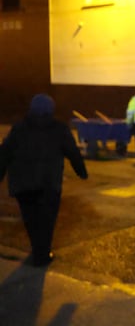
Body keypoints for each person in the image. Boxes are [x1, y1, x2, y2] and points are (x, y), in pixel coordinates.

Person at [0, 94, 88, 266]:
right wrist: (81, 171)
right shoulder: (59, 129)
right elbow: (72, 152)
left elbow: (4, 153)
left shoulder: (19, 128)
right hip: (49, 183)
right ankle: (42, 253)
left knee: (31, 219)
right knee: (47, 220)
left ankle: (38, 251)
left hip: (23, 184)